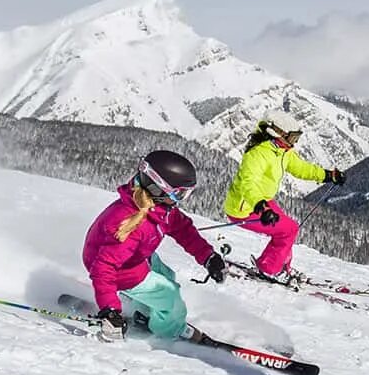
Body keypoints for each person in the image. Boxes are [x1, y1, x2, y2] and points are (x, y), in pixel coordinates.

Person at [83, 151, 224, 342]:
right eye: (179, 193)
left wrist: (207, 256)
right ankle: (170, 329)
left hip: (135, 258)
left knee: (167, 276)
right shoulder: (130, 222)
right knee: (170, 298)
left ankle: (143, 311)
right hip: (120, 271)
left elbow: (182, 229)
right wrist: (110, 310)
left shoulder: (158, 209)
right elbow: (103, 268)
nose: (181, 200)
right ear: (158, 188)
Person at [222, 109, 346, 280]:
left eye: (296, 138)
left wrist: (327, 175)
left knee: (289, 228)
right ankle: (269, 268)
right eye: (291, 138)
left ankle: (282, 265)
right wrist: (260, 207)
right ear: (277, 133)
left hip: (261, 202)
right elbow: (247, 183)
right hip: (243, 208)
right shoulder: (258, 154)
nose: (294, 143)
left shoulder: (283, 152)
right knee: (288, 230)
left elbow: (301, 168)